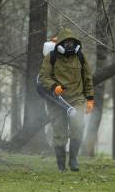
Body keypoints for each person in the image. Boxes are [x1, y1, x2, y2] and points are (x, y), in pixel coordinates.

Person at [38, 27, 94, 172]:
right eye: (66, 42)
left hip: (77, 99)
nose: (69, 45)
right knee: (59, 133)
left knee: (78, 128)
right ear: (60, 43)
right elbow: (43, 77)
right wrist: (54, 86)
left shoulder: (80, 57)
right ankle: (61, 165)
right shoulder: (51, 57)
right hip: (57, 101)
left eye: (71, 42)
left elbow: (87, 78)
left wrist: (90, 99)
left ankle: (73, 160)